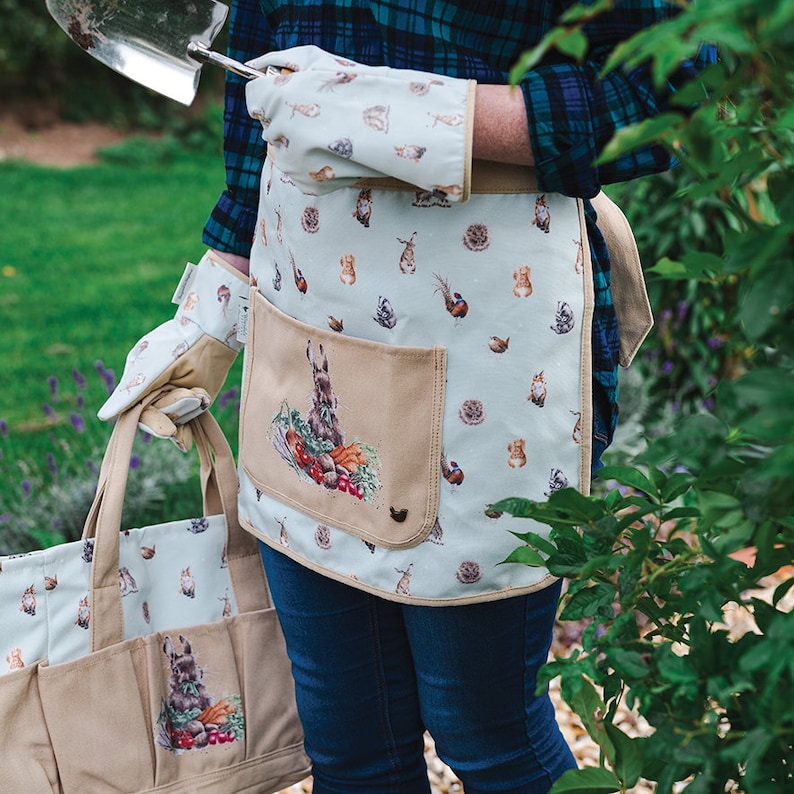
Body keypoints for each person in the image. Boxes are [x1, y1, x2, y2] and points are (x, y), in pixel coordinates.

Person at [100, 2, 712, 791]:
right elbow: (258, 109)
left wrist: (407, 117)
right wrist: (213, 305)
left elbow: (666, 93)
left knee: (488, 737)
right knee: (349, 738)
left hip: (486, 366)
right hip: (307, 342)